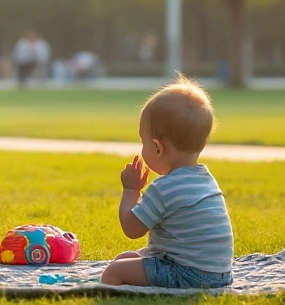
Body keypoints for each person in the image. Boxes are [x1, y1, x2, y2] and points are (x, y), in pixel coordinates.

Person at [100, 75, 234, 288]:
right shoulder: (206, 179)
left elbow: (132, 229)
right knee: (126, 258)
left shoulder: (164, 188)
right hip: (219, 273)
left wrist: (131, 190)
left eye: (143, 142)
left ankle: (110, 300)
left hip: (187, 273)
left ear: (157, 148)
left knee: (115, 271)